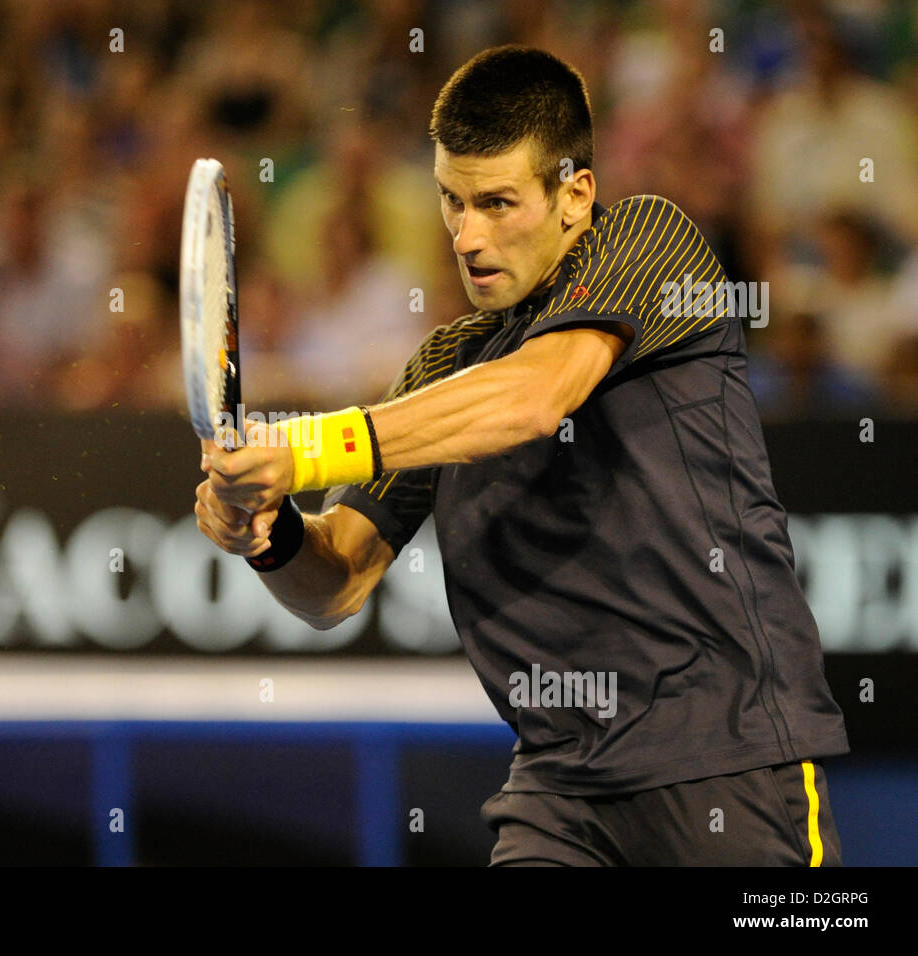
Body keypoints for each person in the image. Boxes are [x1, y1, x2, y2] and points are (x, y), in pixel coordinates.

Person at [193, 45, 849, 866]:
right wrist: (269, 530)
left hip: (726, 760)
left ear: (575, 194)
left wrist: (304, 446)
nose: (467, 236)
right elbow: (338, 582)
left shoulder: (652, 242)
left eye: (498, 203)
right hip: (554, 791)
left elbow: (534, 398)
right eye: (451, 202)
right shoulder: (442, 368)